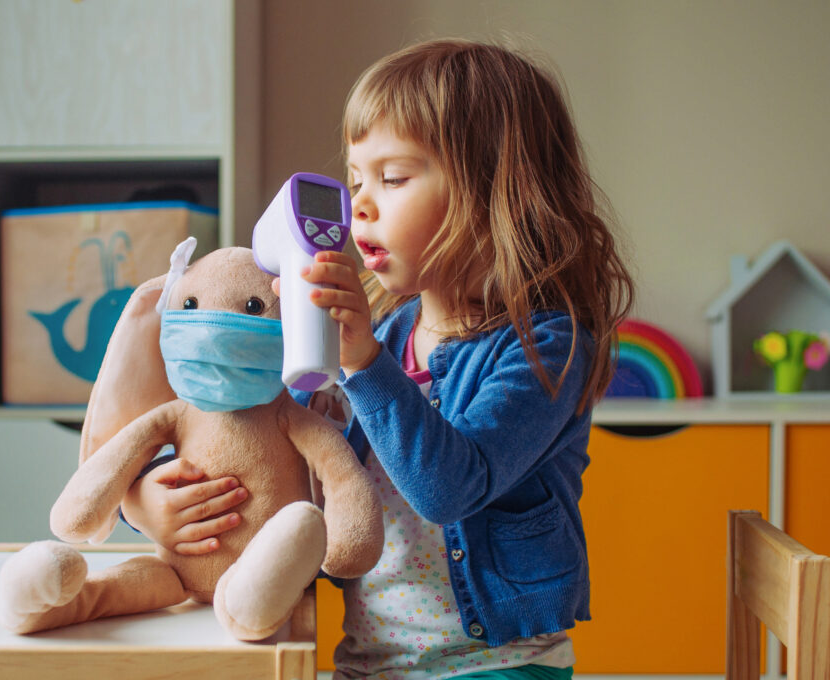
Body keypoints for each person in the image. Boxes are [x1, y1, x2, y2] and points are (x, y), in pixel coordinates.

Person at [123, 38, 634, 679]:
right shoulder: (390, 332)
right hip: (371, 662)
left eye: (392, 179)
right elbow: (265, 444)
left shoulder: (544, 346)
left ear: (495, 189)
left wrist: (363, 363)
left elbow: (449, 489)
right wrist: (145, 499)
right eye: (356, 179)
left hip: (497, 664)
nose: (359, 203)